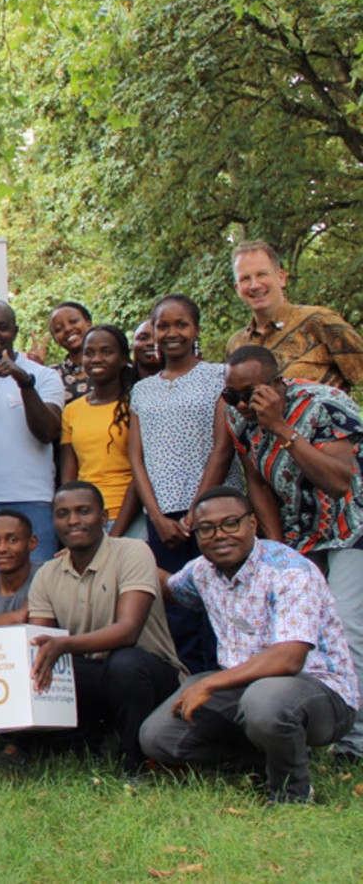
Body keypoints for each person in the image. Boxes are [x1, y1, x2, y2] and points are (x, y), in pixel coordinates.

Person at [140, 487, 359, 805]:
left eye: (231, 523)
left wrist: (211, 681)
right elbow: (170, 587)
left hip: (320, 693)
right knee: (159, 737)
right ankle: (266, 760)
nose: (219, 535)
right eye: (207, 528)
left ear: (252, 524)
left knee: (264, 701)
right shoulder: (202, 572)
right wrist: (122, 553)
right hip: (243, 689)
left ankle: (292, 793)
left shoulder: (289, 572)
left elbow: (288, 659)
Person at [220, 345, 363, 761]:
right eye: (233, 395)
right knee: (302, 633)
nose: (242, 404)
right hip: (300, 534)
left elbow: (339, 482)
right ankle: (313, 725)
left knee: (349, 628)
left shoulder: (326, 404)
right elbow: (257, 482)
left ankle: (354, 744)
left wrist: (281, 426)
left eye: (251, 394)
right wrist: (279, 548)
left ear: (277, 385)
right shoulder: (239, 418)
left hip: (351, 527)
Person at [23, 482, 185, 775]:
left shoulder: (134, 552)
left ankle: (136, 764)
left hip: (151, 674)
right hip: (95, 673)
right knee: (38, 665)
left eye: (83, 511)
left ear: (104, 516)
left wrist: (63, 645)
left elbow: (128, 631)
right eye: (62, 514)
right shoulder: (47, 573)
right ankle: (76, 747)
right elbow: (38, 642)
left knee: (124, 664)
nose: (73, 520)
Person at [128, 293, 236, 672]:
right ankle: (189, 688)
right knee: (178, 608)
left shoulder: (219, 376)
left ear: (195, 330)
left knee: (220, 600)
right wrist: (155, 516)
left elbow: (223, 448)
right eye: (163, 325)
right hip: (163, 517)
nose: (172, 333)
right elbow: (136, 458)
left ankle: (227, 687)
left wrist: (196, 513)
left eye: (181, 324)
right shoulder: (142, 390)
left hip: (215, 511)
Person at [0, 301, 65, 579]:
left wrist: (24, 382)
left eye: (2, 327)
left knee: (39, 596)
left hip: (32, 502)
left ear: (14, 331)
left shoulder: (44, 377)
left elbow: (48, 433)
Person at [225, 240, 363, 391]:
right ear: (237, 289)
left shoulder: (319, 322)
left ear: (281, 278)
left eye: (262, 274)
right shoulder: (237, 345)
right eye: (245, 279)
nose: (255, 285)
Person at [60, 325, 142, 538]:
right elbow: (70, 475)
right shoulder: (72, 410)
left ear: (124, 359)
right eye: (89, 353)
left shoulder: (135, 405)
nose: (96, 359)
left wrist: (115, 534)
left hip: (130, 515)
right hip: (87, 520)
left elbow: (140, 471)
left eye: (107, 352)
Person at [47, 301, 93, 404]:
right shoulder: (51, 375)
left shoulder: (114, 365)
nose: (67, 329)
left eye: (73, 321)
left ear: (89, 324)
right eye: (58, 329)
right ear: (55, 340)